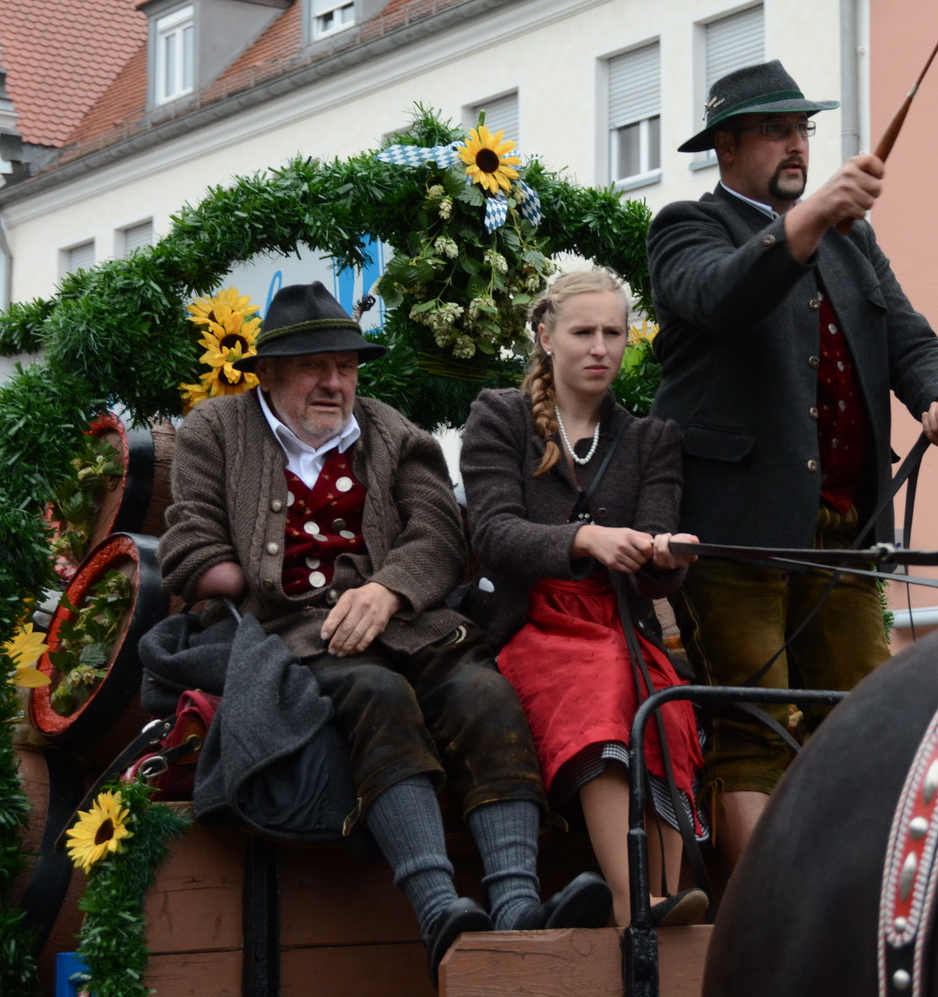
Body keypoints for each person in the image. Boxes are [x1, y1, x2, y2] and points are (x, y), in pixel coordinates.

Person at [159, 281, 611, 984]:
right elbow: (188, 542)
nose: (334, 382)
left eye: (345, 365)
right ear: (271, 374)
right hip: (292, 638)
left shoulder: (396, 432)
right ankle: (439, 912)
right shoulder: (214, 430)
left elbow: (438, 532)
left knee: (486, 695)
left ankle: (519, 906)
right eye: (314, 366)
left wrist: (386, 589)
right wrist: (241, 578)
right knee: (378, 695)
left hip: (409, 625)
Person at [647, 60, 938, 863]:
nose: (797, 144)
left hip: (844, 532)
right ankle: (763, 933)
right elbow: (723, 293)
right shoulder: (685, 226)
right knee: (754, 727)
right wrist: (809, 220)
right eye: (775, 130)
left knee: (863, 725)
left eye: (803, 129)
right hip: (737, 534)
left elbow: (908, 335)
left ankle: (852, 907)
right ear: (724, 147)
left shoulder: (851, 240)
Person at [459, 268, 708, 928]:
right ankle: (636, 901)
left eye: (614, 332)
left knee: (665, 699)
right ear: (545, 336)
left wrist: (663, 558)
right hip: (535, 625)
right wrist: (587, 539)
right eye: (583, 331)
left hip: (620, 624)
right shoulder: (499, 416)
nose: (600, 346)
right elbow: (493, 532)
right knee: (601, 686)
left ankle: (665, 891)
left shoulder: (653, 438)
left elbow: (654, 566)